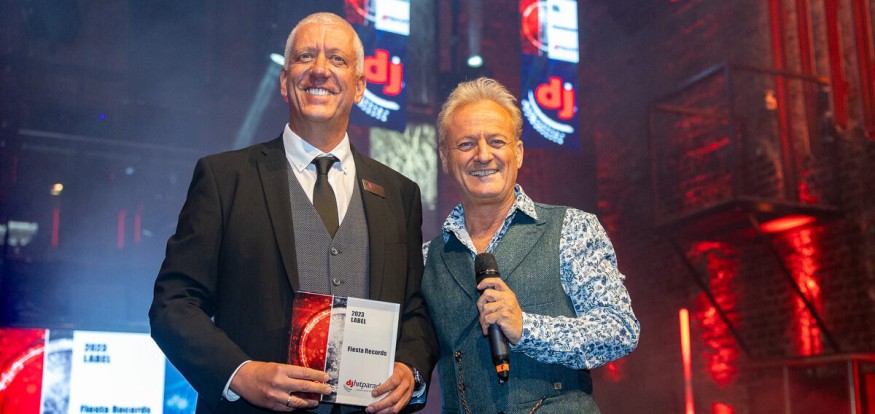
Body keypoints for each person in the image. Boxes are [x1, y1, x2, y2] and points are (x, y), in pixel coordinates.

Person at [149, 12, 437, 414]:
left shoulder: (399, 194)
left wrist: (410, 369)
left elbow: (416, 311)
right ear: (285, 81)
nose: (320, 69)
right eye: (305, 56)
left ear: (359, 86)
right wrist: (240, 374)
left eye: (337, 59)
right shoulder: (224, 179)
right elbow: (174, 304)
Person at [422, 77, 639, 413]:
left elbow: (620, 330)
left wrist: (527, 328)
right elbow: (414, 351)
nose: (483, 155)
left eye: (497, 141)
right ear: (445, 159)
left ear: (518, 153)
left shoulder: (572, 228)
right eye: (466, 144)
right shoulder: (427, 259)